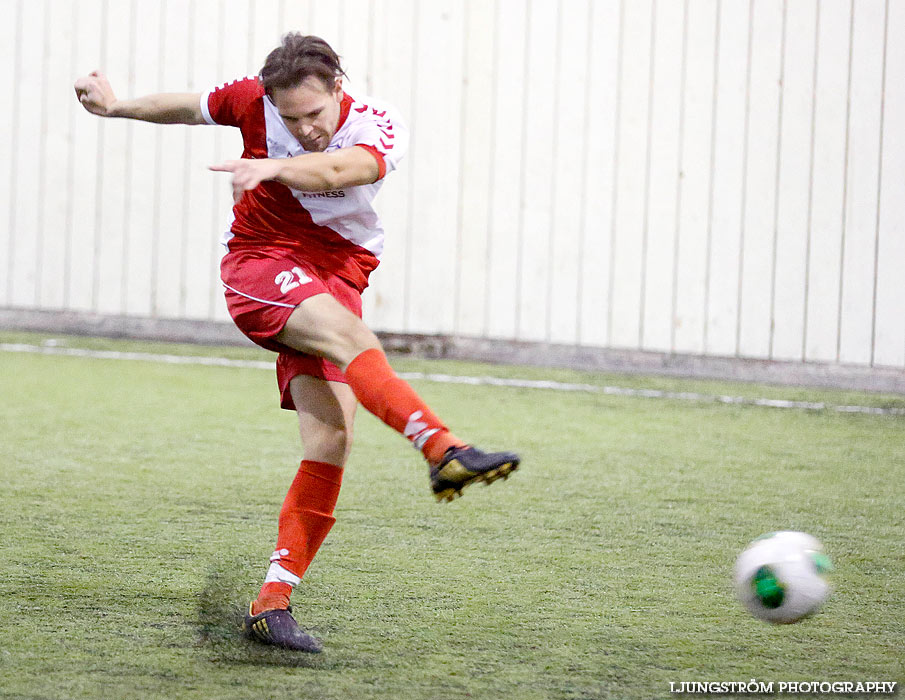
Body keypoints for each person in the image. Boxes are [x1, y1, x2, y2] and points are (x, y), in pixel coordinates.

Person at [74, 33, 520, 653]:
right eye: (291, 118)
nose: (305, 128)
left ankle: (271, 603)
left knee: (332, 436)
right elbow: (187, 105)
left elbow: (345, 168)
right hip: (264, 264)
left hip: (335, 272)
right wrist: (117, 106)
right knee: (351, 339)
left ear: (339, 89)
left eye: (315, 113)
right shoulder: (252, 102)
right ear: (272, 103)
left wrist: (274, 166)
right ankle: (443, 448)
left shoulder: (377, 125)